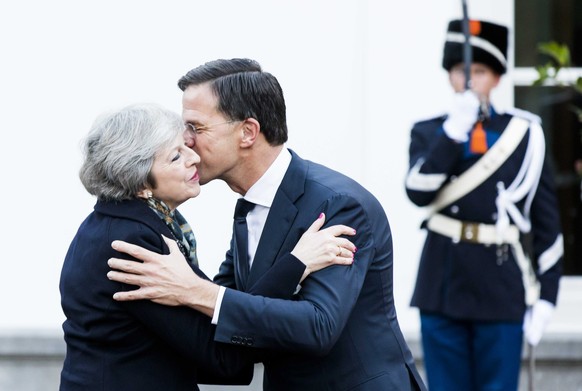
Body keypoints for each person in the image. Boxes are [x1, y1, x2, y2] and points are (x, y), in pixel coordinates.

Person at [106, 58, 427, 391]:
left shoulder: (338, 205)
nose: (185, 141)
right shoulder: (249, 203)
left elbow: (318, 326)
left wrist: (195, 291)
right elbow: (237, 308)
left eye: (196, 128)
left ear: (248, 132)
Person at [59, 102, 356, 391]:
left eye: (186, 147)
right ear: (138, 183)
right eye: (176, 156)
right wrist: (296, 263)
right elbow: (223, 358)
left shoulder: (117, 224)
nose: (194, 159)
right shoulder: (134, 243)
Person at [404, 19, 563, 391]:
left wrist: (548, 298)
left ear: (497, 78)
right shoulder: (429, 132)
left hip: (500, 285)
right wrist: (451, 136)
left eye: (480, 71)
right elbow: (417, 191)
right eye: (462, 71)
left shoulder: (524, 135)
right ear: (449, 77)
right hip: (442, 281)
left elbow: (547, 221)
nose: (470, 81)